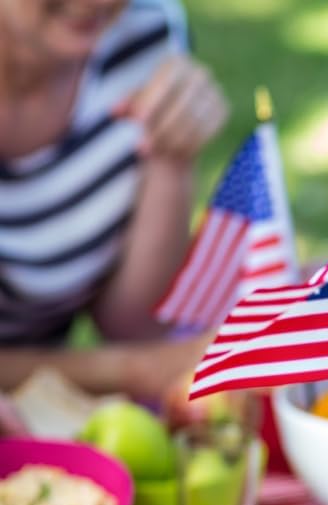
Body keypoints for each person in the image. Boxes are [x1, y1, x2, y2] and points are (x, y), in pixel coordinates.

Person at [0, 0, 227, 397]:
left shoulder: (148, 28)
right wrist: (133, 371)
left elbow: (135, 325)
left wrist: (172, 152)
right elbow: (147, 360)